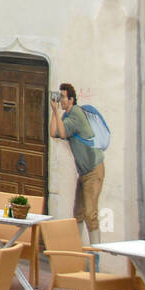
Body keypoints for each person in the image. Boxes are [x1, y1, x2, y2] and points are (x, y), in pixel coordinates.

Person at [49, 82, 105, 244]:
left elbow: (64, 132)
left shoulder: (77, 115)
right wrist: (55, 113)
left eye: (63, 97)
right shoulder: (67, 116)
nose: (61, 100)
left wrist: (55, 111)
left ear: (71, 99)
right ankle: (77, 253)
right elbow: (54, 133)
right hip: (84, 172)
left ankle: (95, 256)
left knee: (90, 213)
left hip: (94, 170)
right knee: (79, 213)